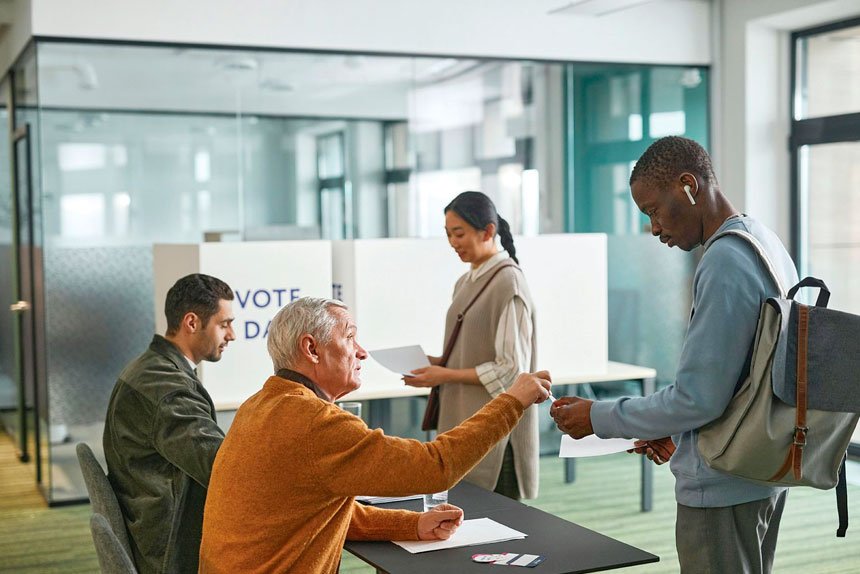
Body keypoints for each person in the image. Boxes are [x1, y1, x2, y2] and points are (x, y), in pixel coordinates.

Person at [550, 136, 798, 574]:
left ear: (689, 185)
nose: (654, 228)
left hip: (722, 488)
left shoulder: (724, 260)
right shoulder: (763, 240)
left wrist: (598, 417)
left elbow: (697, 399)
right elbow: (742, 379)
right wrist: (679, 434)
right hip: (760, 468)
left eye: (653, 210)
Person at [199, 297, 552, 574]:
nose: (362, 351)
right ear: (311, 349)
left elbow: (317, 511)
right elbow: (436, 467)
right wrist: (512, 401)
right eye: (350, 337)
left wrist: (413, 524)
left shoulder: (259, 405)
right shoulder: (313, 422)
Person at [404, 191, 539, 501]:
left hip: (496, 434)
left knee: (499, 531)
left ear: (488, 231)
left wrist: (443, 375)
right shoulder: (466, 282)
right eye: (449, 234)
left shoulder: (509, 283)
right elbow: (472, 352)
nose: (453, 242)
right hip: (466, 426)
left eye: (459, 233)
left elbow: (510, 372)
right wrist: (436, 363)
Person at [103, 273, 235, 574]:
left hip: (151, 523)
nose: (232, 335)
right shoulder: (166, 389)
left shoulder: (153, 367)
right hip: (171, 547)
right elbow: (222, 468)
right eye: (224, 324)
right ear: (191, 322)